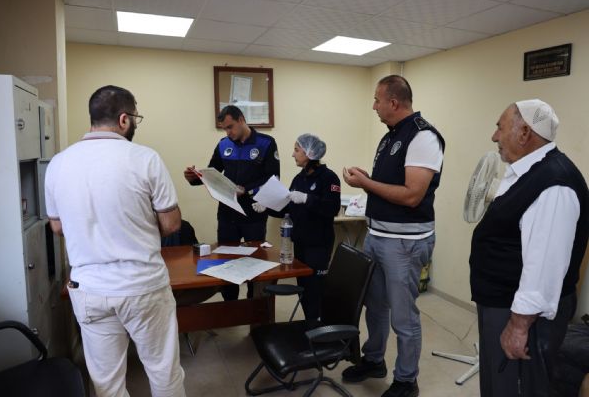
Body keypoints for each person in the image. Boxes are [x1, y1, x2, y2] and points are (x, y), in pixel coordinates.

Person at [44, 85, 186, 397]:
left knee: (106, 383)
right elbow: (171, 224)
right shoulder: (146, 159)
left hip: (89, 289)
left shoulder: (58, 163)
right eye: (135, 118)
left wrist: (91, 228)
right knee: (163, 371)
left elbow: (57, 227)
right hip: (143, 287)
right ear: (124, 119)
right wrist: (134, 226)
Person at [469, 99, 589, 397]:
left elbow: (544, 266)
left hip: (521, 316)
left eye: (500, 127)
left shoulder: (555, 184)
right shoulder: (527, 173)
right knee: (496, 385)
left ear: (524, 133)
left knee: (515, 388)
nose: (494, 136)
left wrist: (519, 326)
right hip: (502, 304)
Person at [341, 75, 445, 397]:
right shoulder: (390, 137)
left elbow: (412, 195)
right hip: (377, 235)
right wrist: (368, 180)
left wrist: (366, 184)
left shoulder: (423, 137)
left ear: (394, 102)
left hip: (405, 243)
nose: (374, 106)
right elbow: (389, 186)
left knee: (403, 316)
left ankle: (406, 381)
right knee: (375, 306)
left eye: (377, 100)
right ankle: (374, 360)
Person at [184, 105, 280, 300]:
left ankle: (253, 306)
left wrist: (247, 189)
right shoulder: (223, 144)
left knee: (255, 263)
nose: (228, 132)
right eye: (224, 129)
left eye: (230, 127)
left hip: (253, 214)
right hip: (228, 214)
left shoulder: (266, 143)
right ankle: (230, 306)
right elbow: (212, 173)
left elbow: (273, 178)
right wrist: (194, 178)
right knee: (226, 263)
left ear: (241, 120)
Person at [253, 133, 341, 320]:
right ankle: (310, 325)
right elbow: (290, 208)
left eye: (296, 150)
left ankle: (319, 327)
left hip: (318, 244)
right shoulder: (299, 178)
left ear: (309, 152)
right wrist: (267, 207)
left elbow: (332, 208)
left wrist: (308, 198)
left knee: (315, 289)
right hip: (300, 242)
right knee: (304, 288)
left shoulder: (329, 178)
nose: (293, 154)